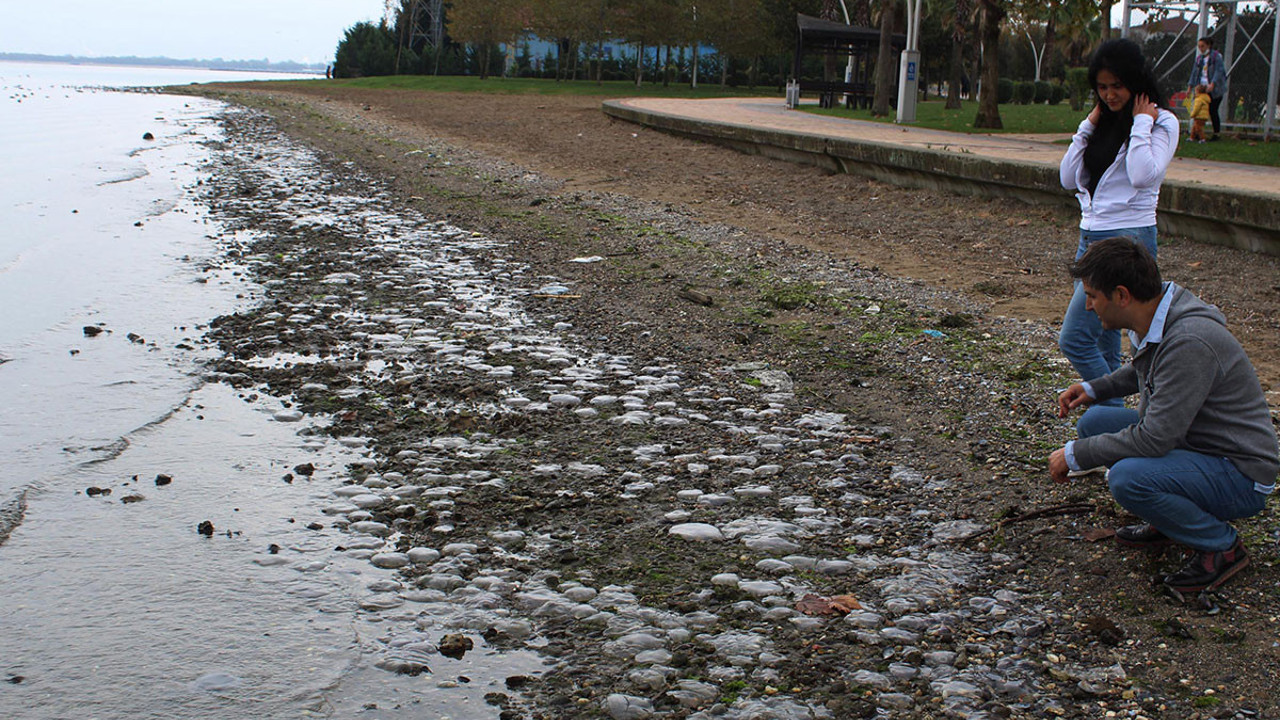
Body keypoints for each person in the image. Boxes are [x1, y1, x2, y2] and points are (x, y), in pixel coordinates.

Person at [1048, 238, 1278, 593]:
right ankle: (1170, 519)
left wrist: (1076, 456)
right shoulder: (1157, 311)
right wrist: (1095, 388)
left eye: (1093, 296)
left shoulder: (1189, 341)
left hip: (1239, 471)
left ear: (1121, 295)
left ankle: (1221, 547)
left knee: (1127, 478)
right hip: (1195, 441)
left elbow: (1155, 438)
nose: (1089, 306)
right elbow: (1147, 369)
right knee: (1094, 423)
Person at [1059, 38, 1180, 400]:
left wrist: (1142, 122)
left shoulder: (1162, 123)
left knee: (1075, 339)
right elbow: (1068, 178)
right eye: (1102, 87)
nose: (1110, 95)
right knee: (1107, 341)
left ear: (1135, 81)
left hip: (1128, 238)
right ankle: (1118, 432)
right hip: (1091, 238)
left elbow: (1144, 174)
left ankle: (1114, 411)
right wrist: (1087, 124)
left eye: (1117, 86)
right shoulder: (1101, 123)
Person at [1187, 37, 1228, 141]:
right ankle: (1197, 132)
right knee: (1200, 111)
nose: (1201, 48)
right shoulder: (1199, 59)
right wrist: (1190, 87)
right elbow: (1194, 73)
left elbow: (1219, 71)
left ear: (1208, 45)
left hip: (1214, 90)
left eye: (1203, 46)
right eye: (1199, 46)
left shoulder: (1216, 57)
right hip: (1202, 89)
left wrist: (1213, 84)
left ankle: (1216, 133)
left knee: (1213, 110)